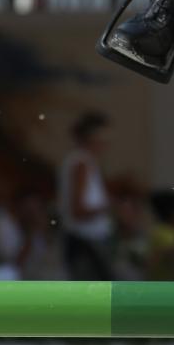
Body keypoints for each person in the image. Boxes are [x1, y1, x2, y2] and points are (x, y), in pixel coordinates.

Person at [57, 111, 114, 279]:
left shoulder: (86, 161)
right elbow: (78, 210)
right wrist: (107, 206)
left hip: (88, 242)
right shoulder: (80, 163)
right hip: (84, 243)